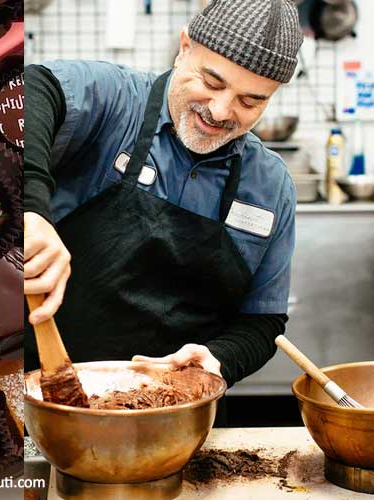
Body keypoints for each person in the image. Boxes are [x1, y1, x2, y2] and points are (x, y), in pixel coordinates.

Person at [23, 0, 304, 392]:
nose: (221, 111)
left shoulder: (270, 184)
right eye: (212, 81)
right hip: (50, 403)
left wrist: (220, 358)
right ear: (184, 46)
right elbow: (34, 89)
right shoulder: (116, 102)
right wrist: (31, 211)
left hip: (179, 423)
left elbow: (263, 322)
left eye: (250, 101)